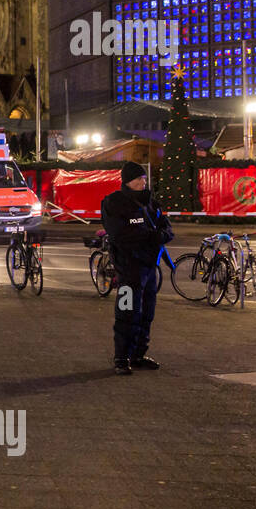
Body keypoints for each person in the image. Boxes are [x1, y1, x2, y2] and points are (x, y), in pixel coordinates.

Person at [101, 161, 174, 376]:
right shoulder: (114, 203)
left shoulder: (152, 204)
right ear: (127, 181)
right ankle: (121, 358)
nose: (143, 182)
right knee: (127, 313)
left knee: (147, 312)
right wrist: (152, 236)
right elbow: (119, 235)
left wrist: (158, 236)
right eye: (138, 179)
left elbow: (167, 230)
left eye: (144, 178)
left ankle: (138, 355)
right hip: (128, 267)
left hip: (149, 267)